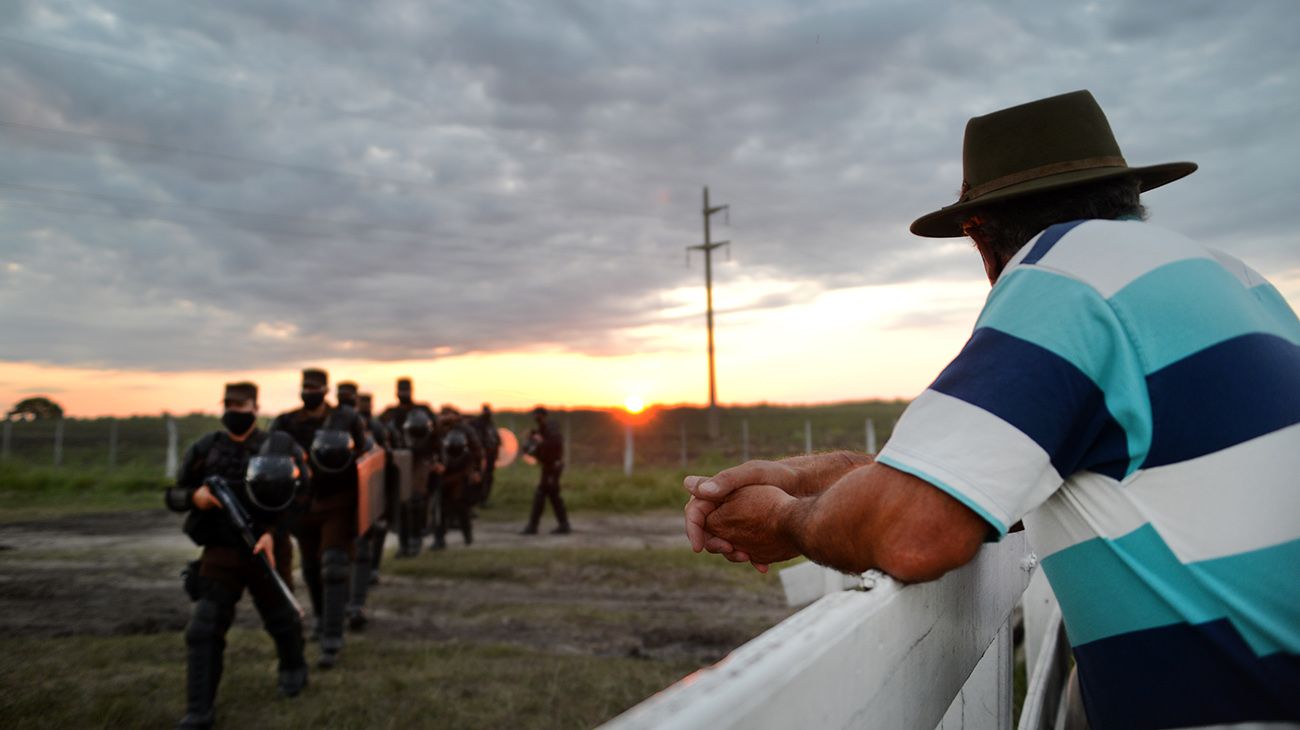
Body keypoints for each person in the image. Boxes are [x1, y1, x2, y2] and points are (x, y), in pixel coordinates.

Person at [683, 90, 1300, 727]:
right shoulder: (1240, 282)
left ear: (981, 236)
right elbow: (974, 482)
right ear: (1128, 196)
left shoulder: (1060, 275)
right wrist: (810, 476)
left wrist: (786, 521)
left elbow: (917, 529)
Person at [165, 382, 309, 729]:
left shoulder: (281, 446)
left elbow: (303, 497)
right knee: (204, 627)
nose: (234, 411)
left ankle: (293, 669)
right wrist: (194, 498)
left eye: (240, 406)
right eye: (228, 404)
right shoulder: (206, 448)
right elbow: (174, 494)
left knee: (281, 617)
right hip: (221, 549)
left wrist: (274, 535)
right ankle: (199, 709)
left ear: (255, 408)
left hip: (268, 546)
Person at [271, 368, 368, 669]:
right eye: (305, 386)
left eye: (314, 386)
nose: (308, 391)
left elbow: (364, 458)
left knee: (334, 566)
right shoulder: (286, 422)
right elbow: (272, 455)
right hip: (302, 505)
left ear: (325, 389)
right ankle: (321, 619)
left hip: (337, 502)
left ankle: (332, 638)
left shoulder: (347, 420)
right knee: (311, 568)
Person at [432, 406, 483, 549]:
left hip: (461, 473)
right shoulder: (439, 430)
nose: (445, 418)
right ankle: (439, 540)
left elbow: (477, 451)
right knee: (441, 508)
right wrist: (436, 464)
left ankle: (467, 537)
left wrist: (476, 471)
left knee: (462, 508)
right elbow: (433, 447)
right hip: (445, 472)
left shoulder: (465, 430)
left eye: (447, 415)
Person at [521, 406, 570, 535]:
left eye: (538, 415)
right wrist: (532, 447)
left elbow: (552, 444)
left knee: (542, 495)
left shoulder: (551, 429)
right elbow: (538, 448)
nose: (536, 418)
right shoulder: (542, 430)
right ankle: (563, 524)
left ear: (543, 415)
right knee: (552, 496)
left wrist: (538, 442)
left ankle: (533, 526)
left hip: (553, 467)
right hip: (548, 467)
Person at [471, 404, 502, 507]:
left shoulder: (490, 424)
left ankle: (484, 499)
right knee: (481, 478)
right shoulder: (478, 424)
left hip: (490, 456)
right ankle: (479, 500)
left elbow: (496, 439)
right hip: (483, 456)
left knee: (488, 478)